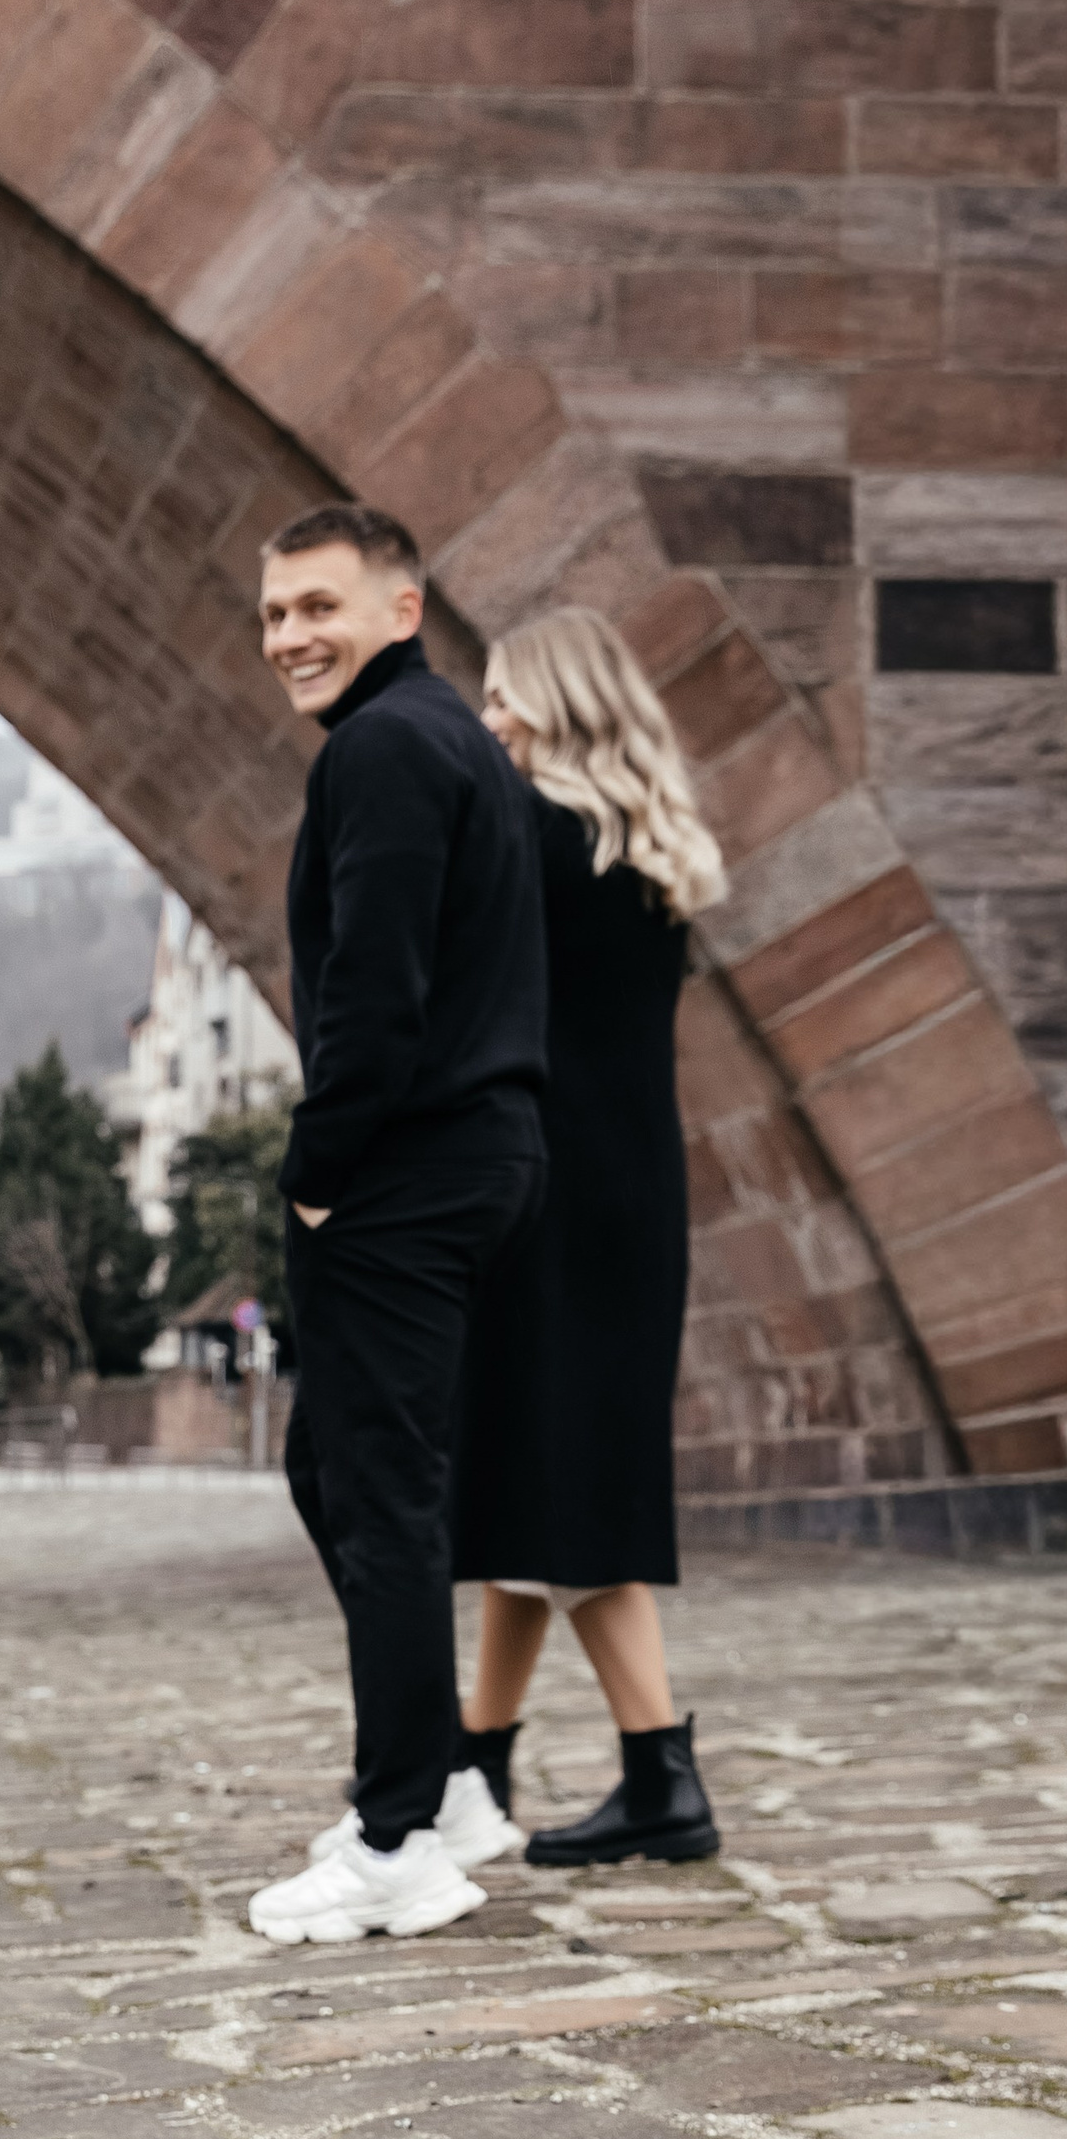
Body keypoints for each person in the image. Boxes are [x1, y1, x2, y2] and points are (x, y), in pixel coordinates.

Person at [246, 506, 548, 1947]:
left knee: (379, 1493)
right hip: (472, 1157)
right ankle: (444, 1790)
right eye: (273, 615)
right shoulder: (446, 739)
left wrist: (316, 1167)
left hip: (402, 1174)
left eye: (319, 605)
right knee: (349, 1469)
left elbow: (377, 982)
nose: (292, 636)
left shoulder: (382, 748)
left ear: (402, 604)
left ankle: (396, 1836)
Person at [447, 604, 728, 1866]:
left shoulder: (527, 833)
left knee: (567, 1499)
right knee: (538, 1482)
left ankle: (660, 1775)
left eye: (507, 696)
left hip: (550, 1195)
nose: (489, 718)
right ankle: (476, 1767)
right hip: (634, 1194)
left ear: (559, 701)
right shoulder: (650, 855)